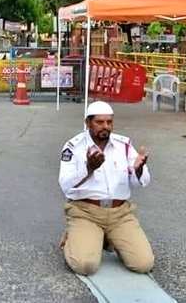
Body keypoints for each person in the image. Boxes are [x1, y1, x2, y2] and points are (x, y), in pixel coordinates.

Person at [58, 101, 154, 276]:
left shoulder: (123, 145)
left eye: (109, 122)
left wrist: (138, 170)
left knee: (143, 264)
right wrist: (89, 169)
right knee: (85, 266)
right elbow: (66, 186)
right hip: (85, 212)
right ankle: (74, 235)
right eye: (99, 122)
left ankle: (106, 237)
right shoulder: (74, 147)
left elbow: (141, 182)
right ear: (88, 123)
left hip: (120, 213)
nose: (106, 126)